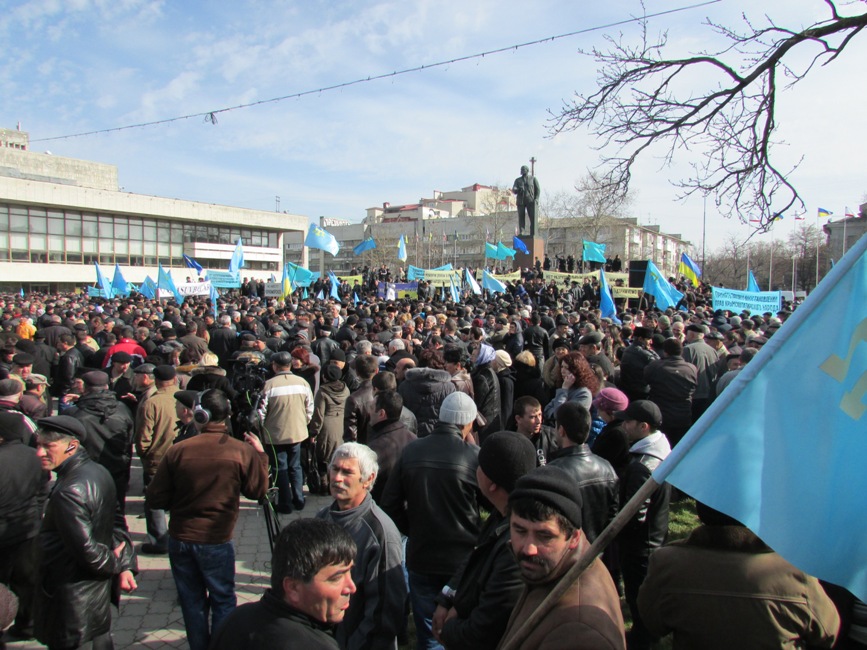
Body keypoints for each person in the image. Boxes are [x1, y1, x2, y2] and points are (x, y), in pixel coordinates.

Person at [146, 388, 269, 650]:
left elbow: (155, 498)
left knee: (192, 602)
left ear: (201, 414)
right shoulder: (240, 451)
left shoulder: (178, 450)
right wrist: (260, 455)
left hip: (181, 537)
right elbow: (258, 491)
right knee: (223, 600)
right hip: (216, 540)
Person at [638, 502, 840, 649]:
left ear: (700, 509)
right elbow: (827, 632)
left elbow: (653, 622)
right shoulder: (794, 570)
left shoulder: (667, 563)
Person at [381, 391, 481, 650]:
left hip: (422, 554)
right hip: (462, 559)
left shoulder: (412, 450)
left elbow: (389, 503)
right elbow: (490, 505)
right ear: (467, 423)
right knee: (460, 626)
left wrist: (413, 529)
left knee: (428, 630)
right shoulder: (474, 456)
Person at [32, 416, 137, 650]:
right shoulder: (99, 472)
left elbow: (88, 552)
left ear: (72, 446)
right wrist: (125, 564)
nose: (39, 453)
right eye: (38, 445)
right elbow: (118, 523)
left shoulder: (69, 491)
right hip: (93, 596)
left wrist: (117, 562)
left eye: (48, 447)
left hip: (72, 597)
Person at [497, 465, 625, 649]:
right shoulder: (553, 569)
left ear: (573, 538)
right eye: (520, 530)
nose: (529, 549)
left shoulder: (578, 633)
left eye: (545, 536)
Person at [432, 431, 537, 650]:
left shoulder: (517, 548)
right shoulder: (502, 517)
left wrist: (449, 628)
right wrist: (448, 598)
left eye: (480, 465)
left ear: (491, 484)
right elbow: (477, 557)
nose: (475, 469)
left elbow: (485, 629)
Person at [210, 518, 357, 650]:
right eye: (336, 577)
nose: (351, 587)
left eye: (350, 571)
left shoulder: (237, 618)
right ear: (293, 588)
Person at [315, 442, 406, 650]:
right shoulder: (321, 519)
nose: (337, 478)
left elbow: (386, 611)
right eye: (335, 469)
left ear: (368, 480)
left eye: (347, 472)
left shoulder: (380, 532)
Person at [612, 400, 672, 650]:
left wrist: (617, 532)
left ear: (644, 426)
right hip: (656, 538)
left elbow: (635, 515)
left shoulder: (643, 466)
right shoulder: (661, 450)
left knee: (640, 602)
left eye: (628, 422)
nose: (624, 425)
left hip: (640, 548)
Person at [0, 410, 46, 641]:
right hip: (28, 530)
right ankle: (27, 625)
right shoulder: (35, 455)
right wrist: (36, 514)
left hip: (4, 533)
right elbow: (42, 488)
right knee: (27, 582)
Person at [547, 402, 619, 543]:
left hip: (567, 551)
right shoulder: (607, 468)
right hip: (597, 551)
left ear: (561, 430)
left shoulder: (553, 473)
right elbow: (613, 516)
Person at [67, 370, 135, 514]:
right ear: (107, 386)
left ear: (85, 388)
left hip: (86, 472)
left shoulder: (76, 414)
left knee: (88, 512)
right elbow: (129, 441)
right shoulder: (123, 409)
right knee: (115, 512)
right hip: (117, 468)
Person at [258, 351, 314, 514]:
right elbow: (309, 407)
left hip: (275, 434)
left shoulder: (269, 385)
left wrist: (263, 427)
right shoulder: (302, 382)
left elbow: (261, 412)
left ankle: (285, 502)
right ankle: (299, 498)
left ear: (275, 366)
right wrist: (303, 423)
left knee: (279, 467)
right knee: (295, 466)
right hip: (297, 432)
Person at [134, 364, 179, 554]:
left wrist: (144, 453)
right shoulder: (185, 397)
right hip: (181, 457)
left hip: (158, 459)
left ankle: (160, 540)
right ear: (175, 379)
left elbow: (144, 435)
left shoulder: (152, 403)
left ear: (155, 380)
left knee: (154, 501)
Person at [511, 395, 559, 466]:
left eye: (540, 415)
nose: (539, 421)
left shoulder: (551, 436)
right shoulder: (509, 440)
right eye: (532, 417)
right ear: (518, 419)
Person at [512, 165, 541, 237]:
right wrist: (518, 189)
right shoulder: (518, 180)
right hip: (521, 201)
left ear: (527, 170)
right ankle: (522, 231)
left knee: (532, 216)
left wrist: (536, 199)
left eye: (524, 169)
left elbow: (538, 189)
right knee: (521, 216)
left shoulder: (533, 179)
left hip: (530, 200)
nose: (522, 171)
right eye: (521, 169)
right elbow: (514, 189)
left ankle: (533, 232)